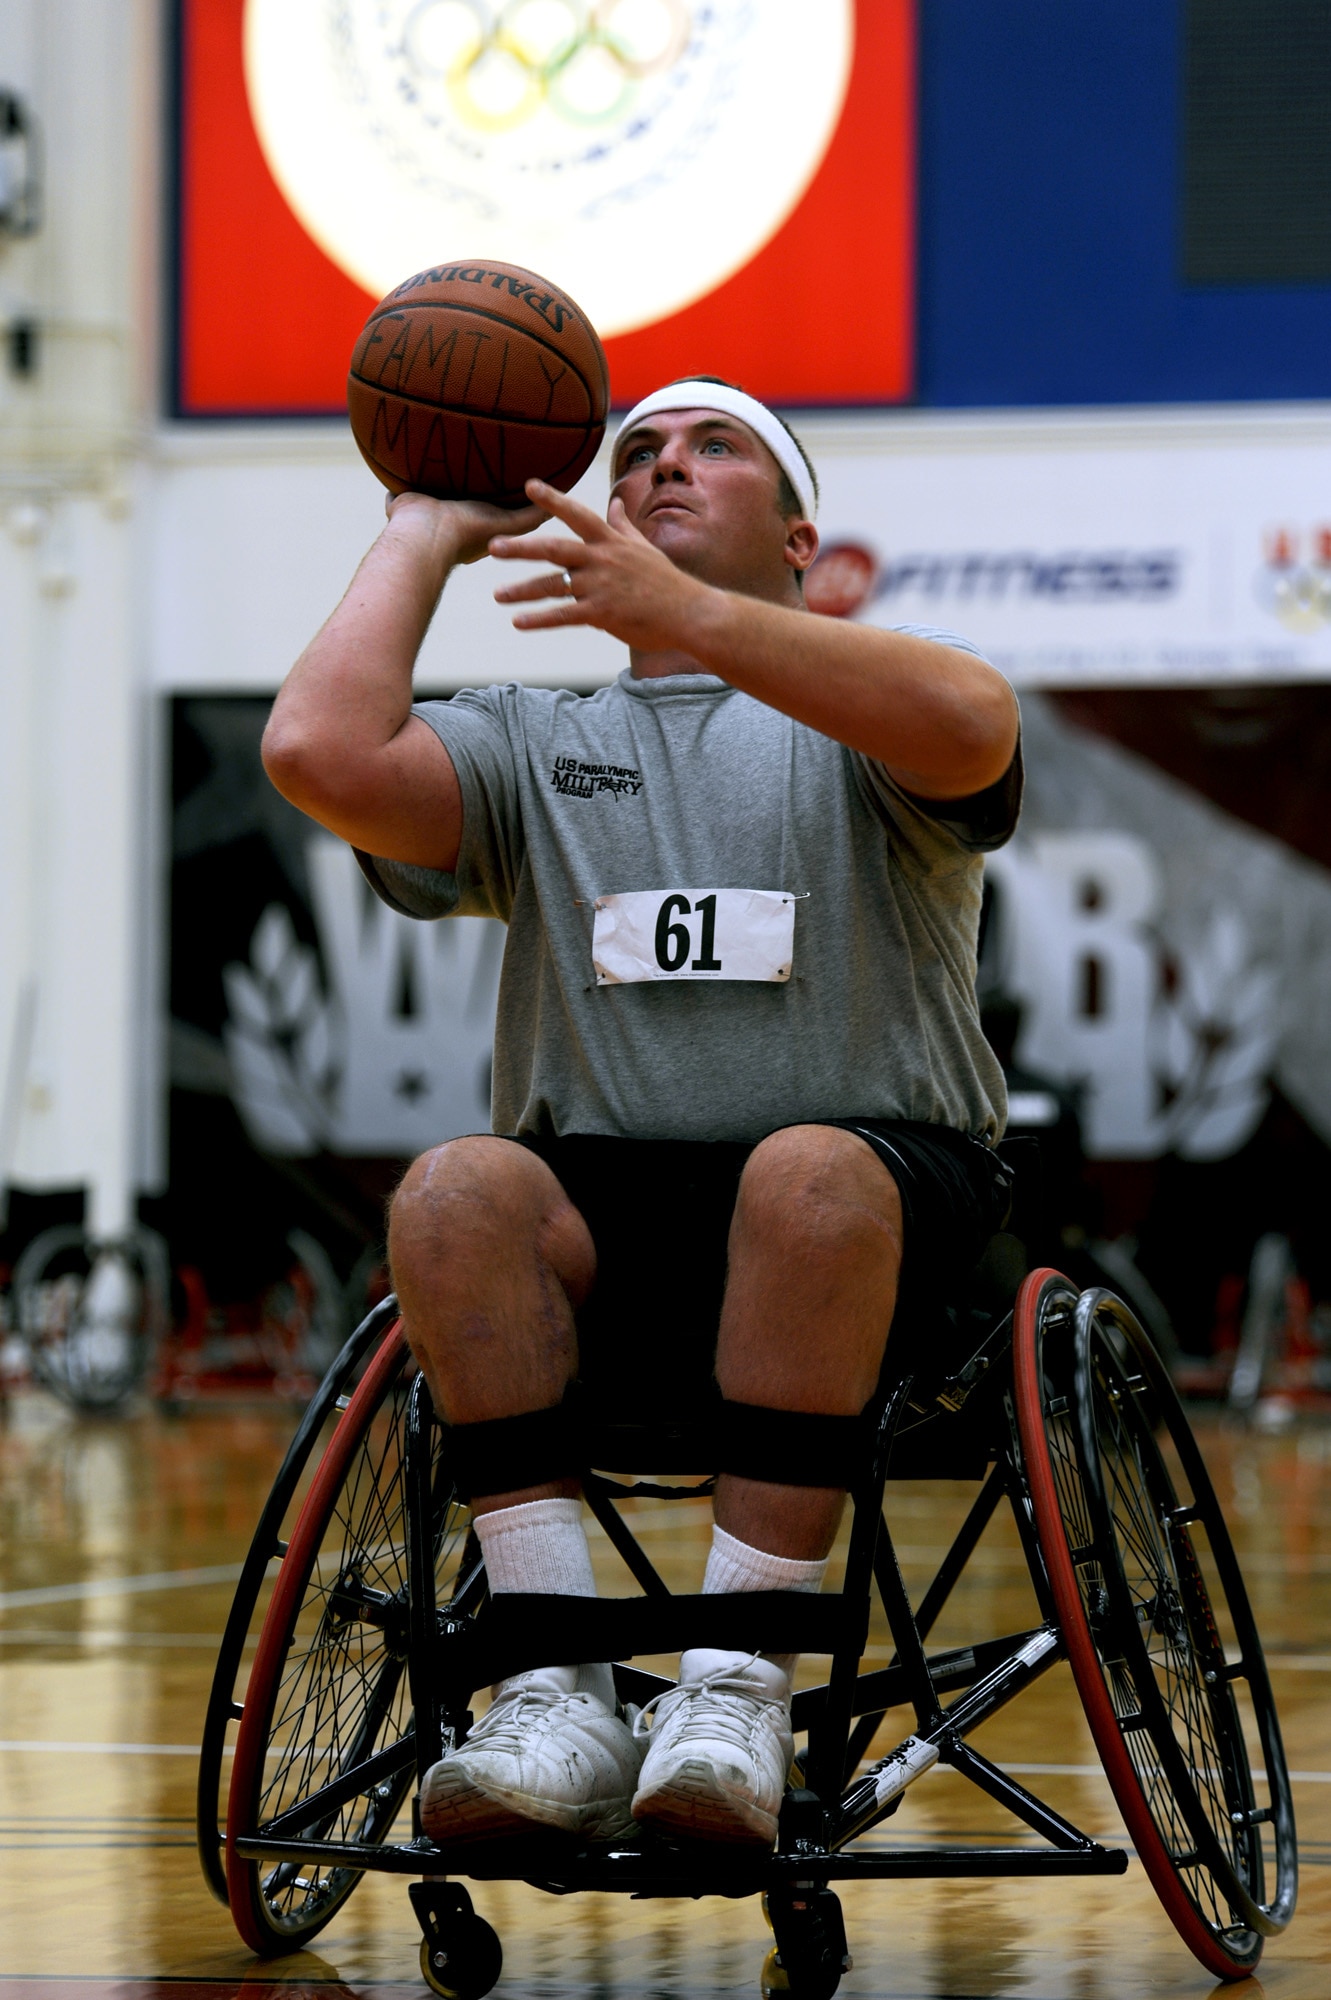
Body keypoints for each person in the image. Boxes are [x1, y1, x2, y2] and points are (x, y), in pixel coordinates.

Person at [262, 376, 1022, 1851]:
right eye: (637, 457)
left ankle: (733, 1684)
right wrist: (423, 528)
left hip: (875, 1210)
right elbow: (315, 753)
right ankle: (555, 1691)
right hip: (606, 1218)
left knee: (804, 1175)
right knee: (450, 1191)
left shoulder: (862, 712)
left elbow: (976, 722)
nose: (664, 466)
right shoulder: (531, 738)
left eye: (712, 447)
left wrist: (694, 611)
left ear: (802, 536)